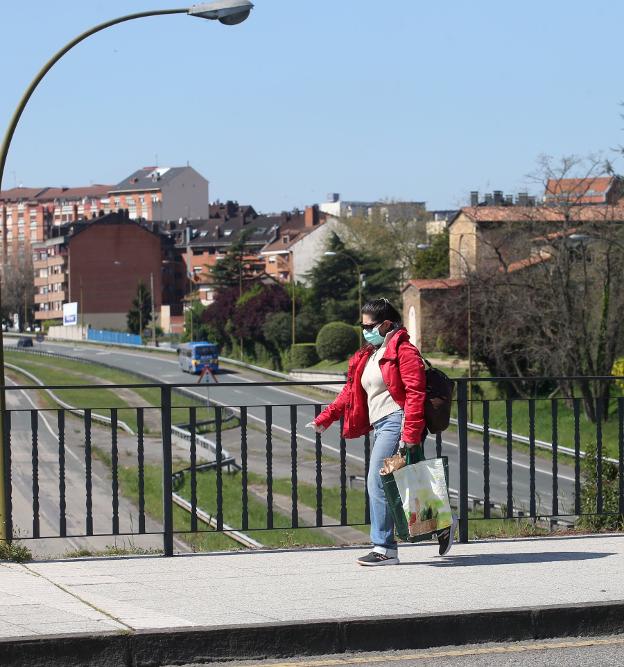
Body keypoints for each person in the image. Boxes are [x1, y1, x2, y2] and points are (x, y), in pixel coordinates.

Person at [307, 298, 457, 565]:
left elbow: (414, 393)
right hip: (382, 424)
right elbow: (349, 392)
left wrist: (409, 435)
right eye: (361, 326)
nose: (365, 330)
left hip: (397, 421)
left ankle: (384, 548)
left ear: (386, 324)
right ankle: (442, 521)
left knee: (377, 481)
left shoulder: (404, 350)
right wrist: (326, 417)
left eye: (369, 326)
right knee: (405, 480)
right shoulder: (370, 354)